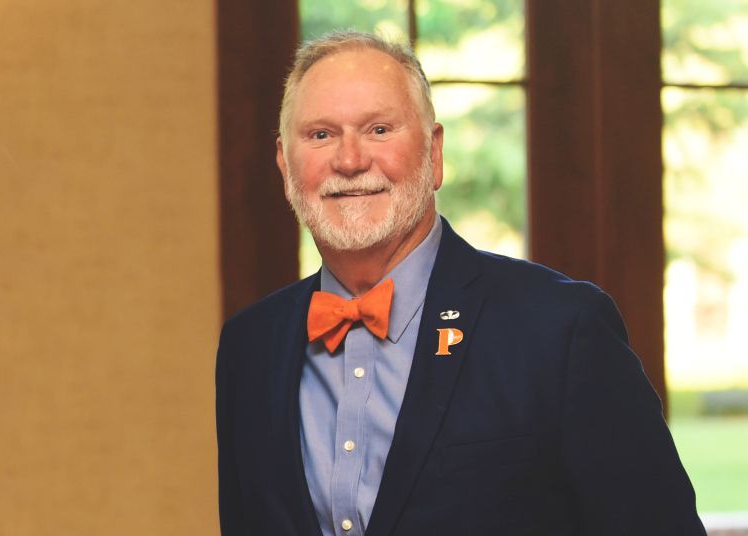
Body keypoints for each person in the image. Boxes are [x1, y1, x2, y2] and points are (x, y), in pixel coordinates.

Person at [215, 31, 705, 536]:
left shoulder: (561, 330)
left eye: (380, 129)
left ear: (433, 154)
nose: (350, 160)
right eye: (321, 135)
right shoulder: (249, 348)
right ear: (285, 165)